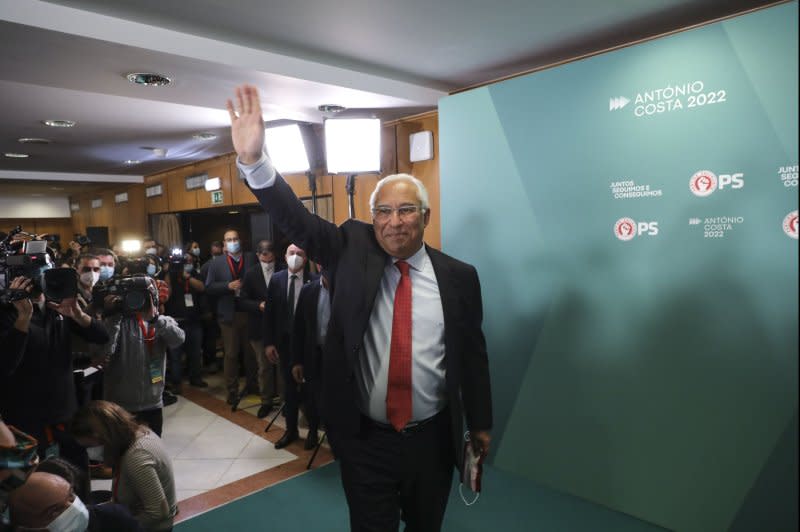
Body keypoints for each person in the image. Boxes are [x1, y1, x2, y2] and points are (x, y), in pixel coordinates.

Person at [228, 84, 492, 531]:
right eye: (383, 212)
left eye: (406, 210)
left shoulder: (459, 277)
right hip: (365, 438)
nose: (394, 222)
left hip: (432, 440)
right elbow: (297, 220)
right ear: (372, 219)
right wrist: (254, 163)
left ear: (425, 217)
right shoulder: (350, 248)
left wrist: (481, 422)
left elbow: (472, 354)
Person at [71, 401, 176, 532]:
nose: (89, 453)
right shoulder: (138, 433)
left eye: (89, 446)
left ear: (102, 436)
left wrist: (119, 525)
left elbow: (158, 513)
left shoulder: (136, 457)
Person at [100, 277, 184, 436]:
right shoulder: (115, 323)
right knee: (120, 452)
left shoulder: (161, 322)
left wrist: (155, 319)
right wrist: (114, 317)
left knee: (151, 449)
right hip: (119, 405)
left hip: (153, 403)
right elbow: (105, 351)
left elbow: (178, 340)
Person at [263, 244, 314, 448]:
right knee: (289, 391)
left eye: (300, 253)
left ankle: (312, 431)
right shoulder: (276, 280)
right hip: (284, 345)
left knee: (310, 391)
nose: (295, 257)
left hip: (308, 346)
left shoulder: (315, 280)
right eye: (291, 253)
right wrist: (268, 343)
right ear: (285, 256)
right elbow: (269, 315)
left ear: (306, 256)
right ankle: (290, 430)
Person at [204, 230, 258, 404]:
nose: (233, 242)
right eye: (229, 240)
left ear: (240, 241)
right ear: (224, 244)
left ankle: (253, 384)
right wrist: (227, 286)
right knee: (231, 354)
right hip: (228, 314)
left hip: (249, 312)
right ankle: (232, 390)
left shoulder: (251, 258)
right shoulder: (217, 262)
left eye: (235, 239)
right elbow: (209, 287)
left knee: (251, 353)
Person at [291, 265, 331, 450]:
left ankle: (334, 435)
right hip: (313, 354)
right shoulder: (308, 290)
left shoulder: (348, 290)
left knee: (335, 398)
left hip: (338, 357)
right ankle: (313, 430)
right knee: (311, 396)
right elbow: (298, 328)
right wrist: (297, 361)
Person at [239, 239, 279, 418]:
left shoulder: (284, 269)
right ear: (257, 255)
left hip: (281, 327)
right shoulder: (251, 273)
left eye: (270, 255)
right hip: (259, 326)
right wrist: (258, 305)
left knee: (284, 367)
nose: (267, 260)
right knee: (264, 367)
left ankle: (287, 400)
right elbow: (242, 301)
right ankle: (266, 401)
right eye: (263, 256)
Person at [164, 252, 208, 391]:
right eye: (185, 262)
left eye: (188, 261)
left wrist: (187, 277)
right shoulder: (169, 275)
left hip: (193, 319)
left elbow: (201, 287)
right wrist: (170, 275)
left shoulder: (193, 273)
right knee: (175, 355)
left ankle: (196, 378)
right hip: (175, 321)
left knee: (195, 353)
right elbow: (166, 295)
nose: (187, 264)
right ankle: (177, 383)